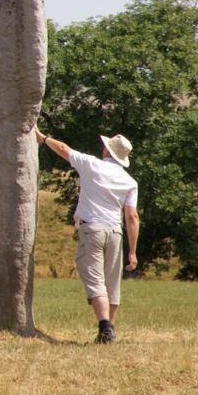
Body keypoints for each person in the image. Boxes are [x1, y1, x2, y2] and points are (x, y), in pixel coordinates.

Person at [35, 127, 139, 343]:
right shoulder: (130, 182)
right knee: (112, 283)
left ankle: (104, 327)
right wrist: (133, 251)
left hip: (92, 228)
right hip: (115, 232)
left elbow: (64, 149)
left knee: (94, 279)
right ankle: (109, 328)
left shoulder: (92, 165)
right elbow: (132, 217)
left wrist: (43, 139)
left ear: (107, 152)